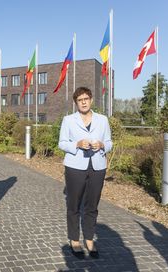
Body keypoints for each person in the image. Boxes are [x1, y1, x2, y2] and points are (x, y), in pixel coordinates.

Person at [58, 87, 112, 259]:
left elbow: (110, 142)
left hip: (97, 166)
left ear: (90, 100)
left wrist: (102, 145)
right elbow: (62, 143)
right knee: (74, 205)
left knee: (92, 205)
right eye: (80, 100)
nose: (83, 102)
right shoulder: (68, 120)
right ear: (76, 103)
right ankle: (74, 239)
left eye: (86, 99)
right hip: (75, 167)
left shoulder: (102, 120)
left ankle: (89, 238)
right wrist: (77, 144)